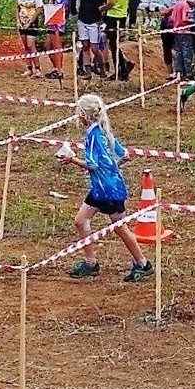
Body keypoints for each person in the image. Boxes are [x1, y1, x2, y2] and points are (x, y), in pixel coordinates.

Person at [57, 93, 152, 282]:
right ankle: (91, 262)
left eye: (79, 113)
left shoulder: (93, 136)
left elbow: (93, 165)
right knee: (81, 221)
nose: (78, 116)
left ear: (85, 115)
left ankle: (142, 264)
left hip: (107, 190)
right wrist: (113, 168)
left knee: (119, 227)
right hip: (104, 188)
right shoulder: (104, 132)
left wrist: (72, 159)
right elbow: (124, 155)